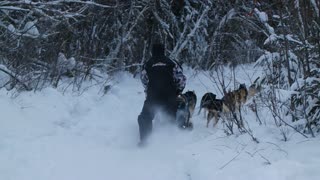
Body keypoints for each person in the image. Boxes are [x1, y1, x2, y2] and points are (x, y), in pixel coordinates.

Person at [137, 43, 186, 144]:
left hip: (153, 96)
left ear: (152, 51)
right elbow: (181, 79)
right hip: (169, 96)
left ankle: (145, 141)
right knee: (170, 117)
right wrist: (178, 91)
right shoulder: (172, 63)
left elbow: (144, 80)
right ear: (164, 50)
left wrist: (149, 91)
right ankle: (170, 142)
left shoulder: (148, 64)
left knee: (145, 117)